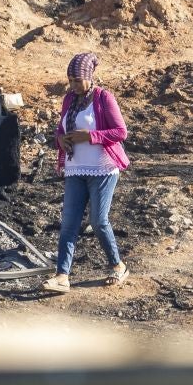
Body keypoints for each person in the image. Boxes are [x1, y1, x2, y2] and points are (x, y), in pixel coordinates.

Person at [44, 52, 130, 293]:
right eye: (69, 80)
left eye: (77, 80)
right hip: (75, 169)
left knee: (98, 221)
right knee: (68, 223)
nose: (72, 85)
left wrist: (90, 136)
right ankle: (62, 276)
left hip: (103, 169)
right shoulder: (69, 100)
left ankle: (118, 266)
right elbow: (60, 129)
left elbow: (120, 132)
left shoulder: (103, 98)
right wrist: (61, 140)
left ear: (89, 77)